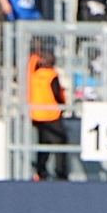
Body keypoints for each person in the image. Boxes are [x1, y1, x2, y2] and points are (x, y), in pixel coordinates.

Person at [28, 49, 69, 181]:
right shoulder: (52, 75)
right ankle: (60, 173)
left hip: (37, 115)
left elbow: (31, 63)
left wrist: (35, 57)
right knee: (60, 143)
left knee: (43, 144)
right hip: (51, 115)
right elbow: (57, 94)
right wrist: (63, 105)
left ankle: (40, 172)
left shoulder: (35, 75)